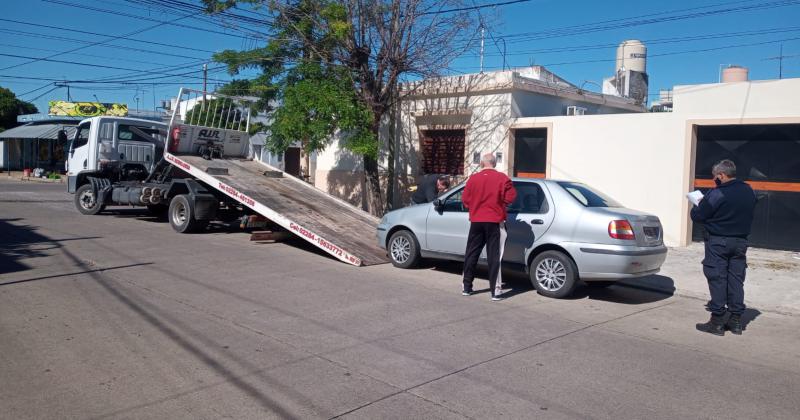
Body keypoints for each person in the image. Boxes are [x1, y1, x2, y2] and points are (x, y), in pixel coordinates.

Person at [691, 159, 756, 336]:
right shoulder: (748, 190)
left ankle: (717, 321)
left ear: (721, 175)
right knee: (736, 279)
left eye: (715, 177)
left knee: (717, 277)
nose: (714, 180)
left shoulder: (718, 193)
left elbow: (698, 215)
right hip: (740, 242)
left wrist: (699, 203)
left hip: (718, 241)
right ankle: (735, 321)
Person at [461, 153, 517, 301]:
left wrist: (475, 206)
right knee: (494, 256)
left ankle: (467, 287)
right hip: (494, 221)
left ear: (481, 164)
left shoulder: (473, 178)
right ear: (495, 163)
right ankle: (495, 291)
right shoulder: (502, 178)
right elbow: (511, 197)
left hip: (476, 221)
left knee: (471, 253)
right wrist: (500, 202)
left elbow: (465, 199)